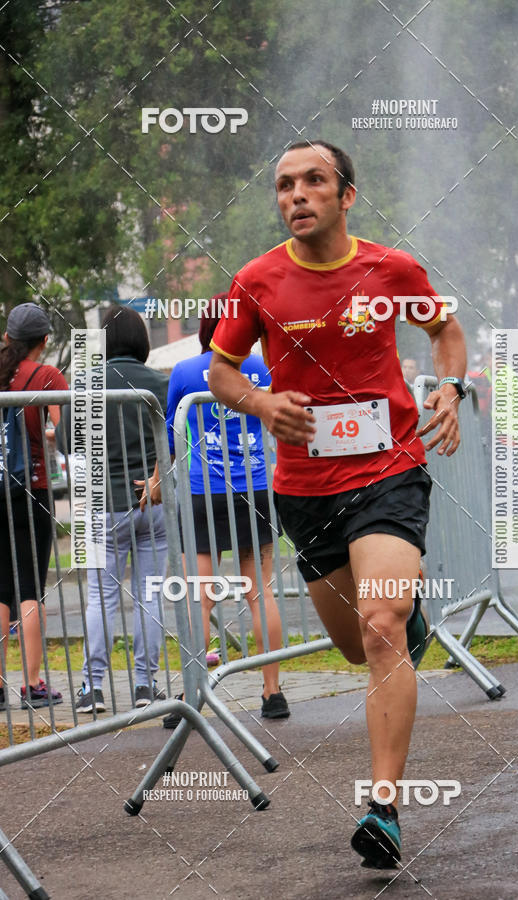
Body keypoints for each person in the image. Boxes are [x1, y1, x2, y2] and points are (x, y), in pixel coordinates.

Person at [207, 140, 467, 869]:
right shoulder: (256, 280)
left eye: (314, 181)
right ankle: (406, 617)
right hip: (304, 488)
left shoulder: (392, 269)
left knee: (381, 625)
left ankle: (383, 808)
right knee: (358, 646)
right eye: (284, 185)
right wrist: (261, 402)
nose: (296, 195)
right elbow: (223, 371)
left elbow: (445, 330)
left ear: (346, 195)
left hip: (390, 468)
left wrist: (452, 387)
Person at [155, 294, 289, 725]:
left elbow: (170, 434)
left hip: (202, 492)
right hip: (255, 486)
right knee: (260, 592)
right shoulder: (263, 369)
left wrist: (156, 480)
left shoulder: (185, 371)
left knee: (199, 596)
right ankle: (273, 692)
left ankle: (191, 694)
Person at [61, 306, 170, 713]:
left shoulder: (84, 384)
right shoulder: (160, 383)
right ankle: (145, 685)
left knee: (101, 597)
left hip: (102, 504)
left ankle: (92, 688)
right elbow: (179, 438)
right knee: (149, 594)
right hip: (153, 502)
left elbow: (67, 444)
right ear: (142, 340)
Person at [0, 302, 68, 710]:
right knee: (30, 589)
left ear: (7, 337)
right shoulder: (46, 376)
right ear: (45, 340)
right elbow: (65, 431)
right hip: (30, 490)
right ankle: (32, 684)